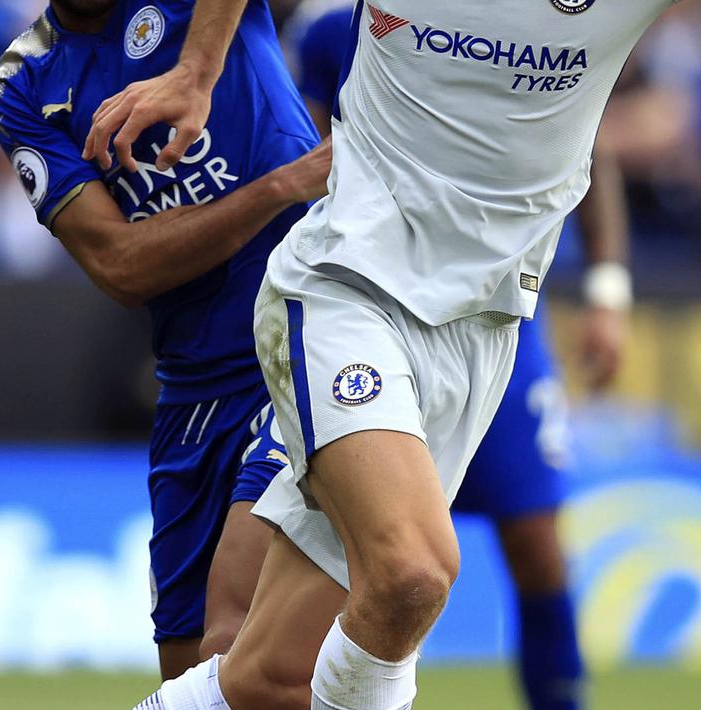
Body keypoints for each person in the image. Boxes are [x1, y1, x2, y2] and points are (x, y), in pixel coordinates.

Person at [109, 0, 701, 707]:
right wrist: (197, 71)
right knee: (416, 570)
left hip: (487, 326)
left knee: (269, 679)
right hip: (346, 285)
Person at [289, 6, 632, 708]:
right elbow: (305, 159)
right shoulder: (335, 34)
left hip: (494, 316)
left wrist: (606, 291)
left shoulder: (550, 20)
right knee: (374, 559)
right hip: (372, 306)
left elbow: (592, 151)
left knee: (536, 540)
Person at [0, 0, 329, 681]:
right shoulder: (23, 83)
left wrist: (194, 73)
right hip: (193, 390)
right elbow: (119, 266)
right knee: (186, 672)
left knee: (232, 642)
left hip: (306, 344)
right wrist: (277, 188)